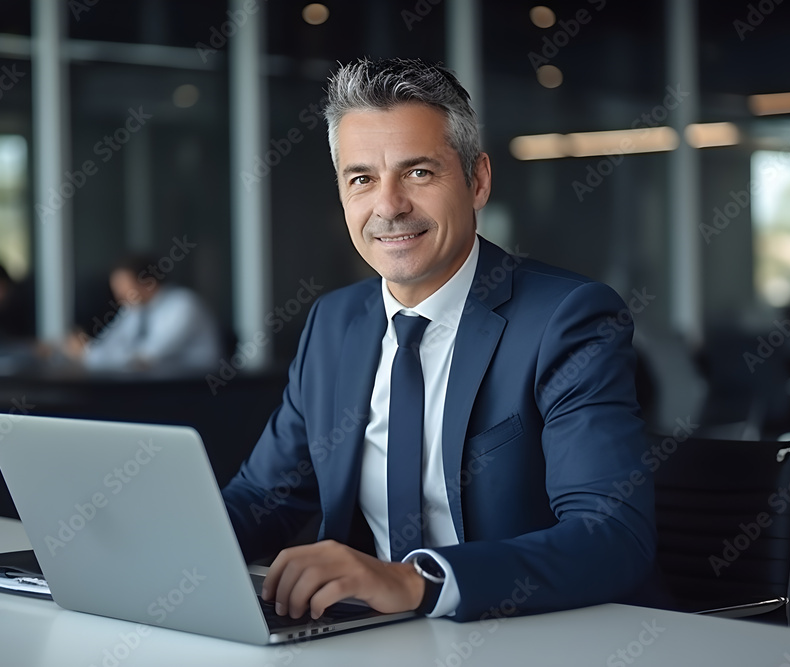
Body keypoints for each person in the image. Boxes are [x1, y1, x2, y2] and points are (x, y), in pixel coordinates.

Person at [220, 57, 655, 623]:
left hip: (535, 637)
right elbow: (263, 498)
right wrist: (156, 542)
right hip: (376, 642)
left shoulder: (567, 319)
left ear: (478, 180)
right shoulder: (333, 323)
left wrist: (416, 582)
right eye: (362, 179)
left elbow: (612, 535)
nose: (389, 206)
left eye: (419, 172)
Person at [66, 254, 222, 374]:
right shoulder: (135, 308)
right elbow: (111, 344)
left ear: (148, 283)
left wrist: (87, 355)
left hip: (195, 389)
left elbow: (145, 359)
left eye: (124, 287)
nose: (118, 295)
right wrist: (85, 350)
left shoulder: (184, 306)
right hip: (156, 386)